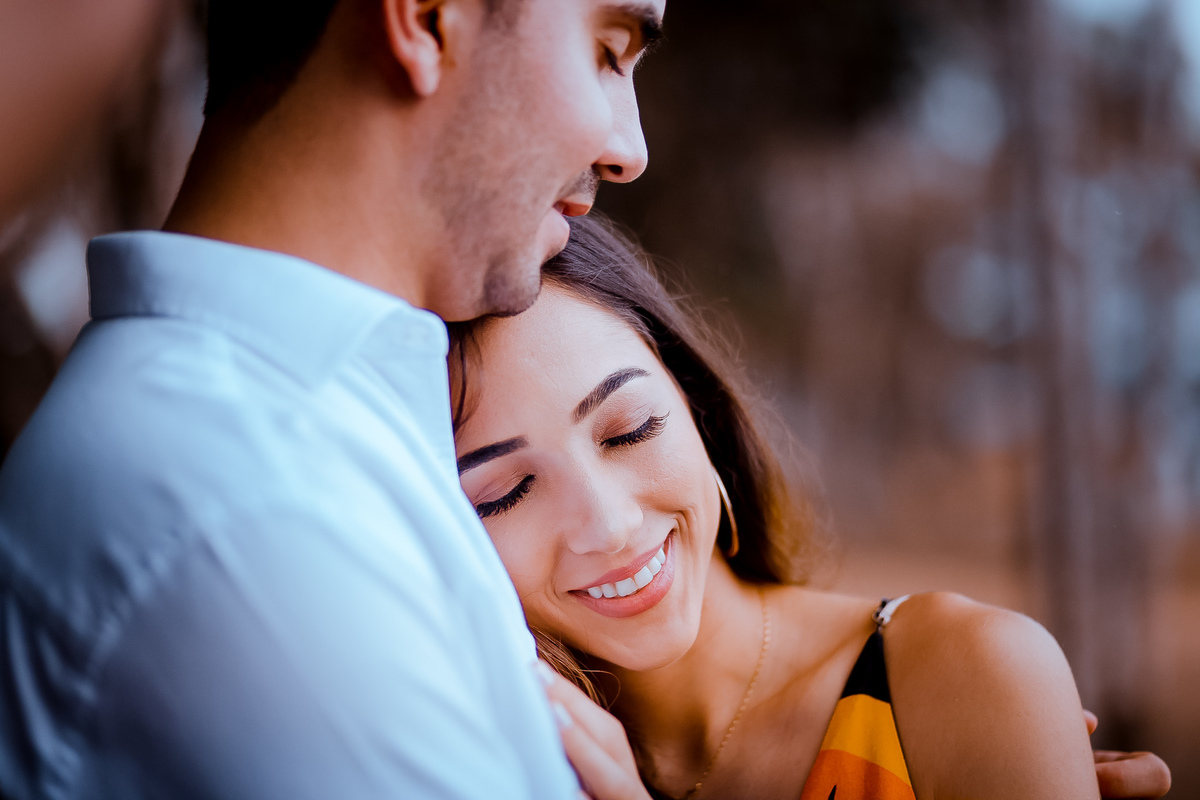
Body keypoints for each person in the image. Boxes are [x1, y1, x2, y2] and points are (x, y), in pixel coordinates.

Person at [0, 1, 664, 798]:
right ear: (426, 19)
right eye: (607, 50)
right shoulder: (253, 507)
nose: (629, 151)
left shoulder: (312, 430)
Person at [449, 215, 1173, 800]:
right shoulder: (492, 761)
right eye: (503, 493)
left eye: (629, 429)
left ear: (697, 409)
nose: (606, 525)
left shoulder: (965, 676)